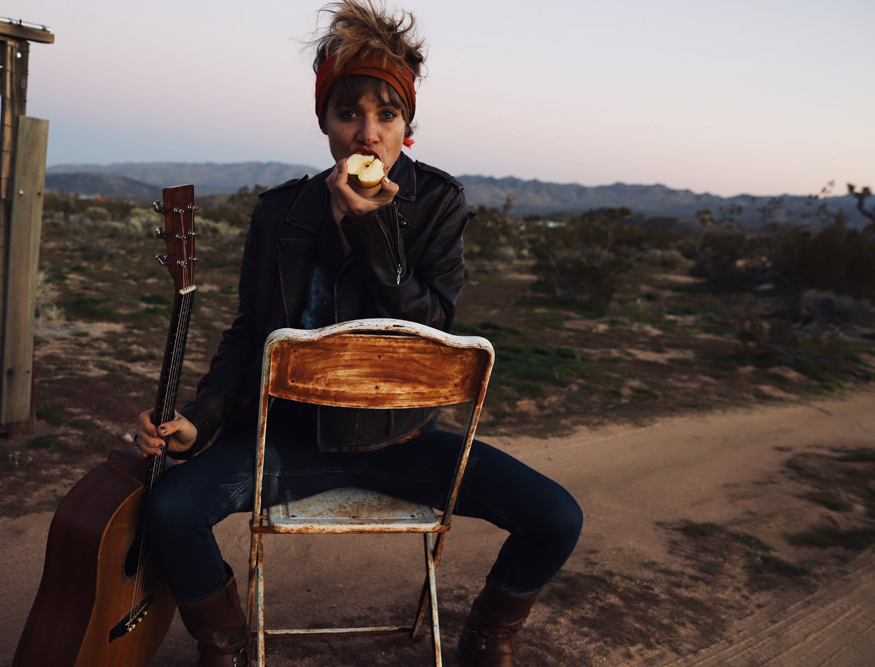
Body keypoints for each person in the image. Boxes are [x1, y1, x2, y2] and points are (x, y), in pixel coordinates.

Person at [134, 2, 583, 665]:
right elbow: (250, 332)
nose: (367, 133)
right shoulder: (280, 212)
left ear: (408, 127)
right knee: (168, 510)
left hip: (404, 438)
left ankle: (490, 632)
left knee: (557, 516)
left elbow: (429, 325)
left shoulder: (437, 204)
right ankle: (225, 639)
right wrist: (199, 419)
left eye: (386, 115)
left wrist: (372, 228)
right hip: (289, 440)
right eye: (349, 114)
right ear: (325, 123)